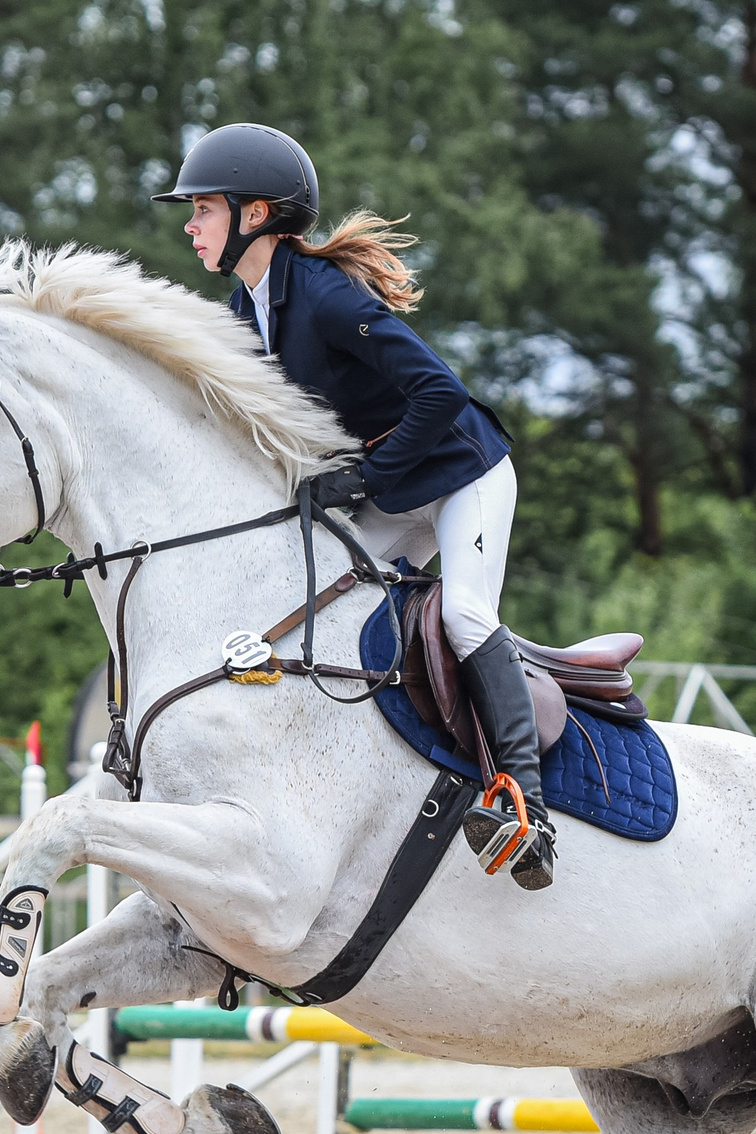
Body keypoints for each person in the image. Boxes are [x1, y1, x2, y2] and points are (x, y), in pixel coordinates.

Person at [155, 123, 551, 890]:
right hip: (397, 488)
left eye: (202, 208)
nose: (189, 224)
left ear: (256, 215)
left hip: (462, 472)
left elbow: (440, 393)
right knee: (314, 609)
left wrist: (365, 476)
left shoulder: (329, 298)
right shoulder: (248, 309)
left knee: (467, 616)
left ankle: (526, 806)